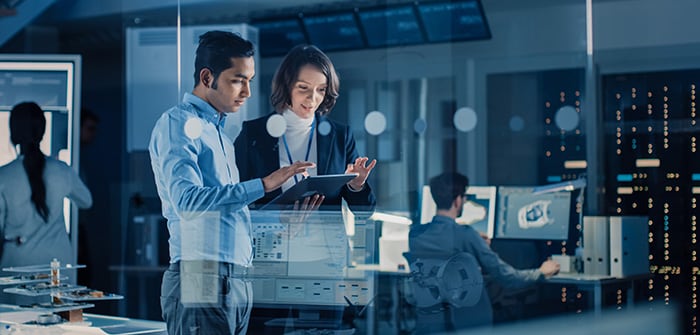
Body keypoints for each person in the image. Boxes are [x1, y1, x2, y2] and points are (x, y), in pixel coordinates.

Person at [149, 31, 314, 335]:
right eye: (238, 80)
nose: (247, 92)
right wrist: (263, 185)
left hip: (236, 278)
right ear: (207, 77)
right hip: (202, 274)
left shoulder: (221, 136)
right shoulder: (177, 123)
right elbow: (187, 201)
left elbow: (226, 213)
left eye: (249, 80)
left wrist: (280, 222)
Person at [408, 172, 560, 333]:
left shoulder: (416, 235)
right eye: (464, 197)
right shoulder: (465, 235)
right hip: (468, 326)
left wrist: (473, 243)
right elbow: (507, 277)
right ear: (458, 200)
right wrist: (541, 272)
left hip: (430, 323)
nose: (465, 201)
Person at [234, 44, 376, 212]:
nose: (312, 98)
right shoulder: (253, 133)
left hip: (326, 237)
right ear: (287, 86)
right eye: (303, 88)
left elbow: (364, 213)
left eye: (321, 90)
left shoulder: (340, 136)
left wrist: (357, 185)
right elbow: (235, 198)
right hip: (272, 236)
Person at [0, 102, 92, 296]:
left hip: (16, 265)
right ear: (42, 132)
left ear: (13, 133)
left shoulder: (4, 176)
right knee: (58, 322)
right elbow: (86, 201)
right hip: (57, 266)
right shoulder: (61, 170)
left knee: (17, 323)